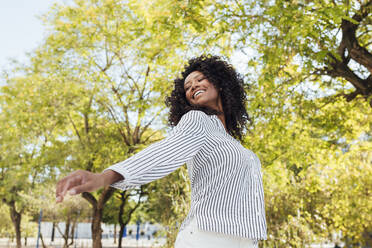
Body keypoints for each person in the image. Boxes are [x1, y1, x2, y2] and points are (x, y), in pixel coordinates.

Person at [55, 55, 267, 248]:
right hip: (208, 237)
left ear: (219, 82)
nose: (193, 87)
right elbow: (165, 152)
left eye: (200, 79)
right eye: (187, 87)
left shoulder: (231, 141)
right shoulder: (198, 121)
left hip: (245, 240)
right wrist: (104, 178)